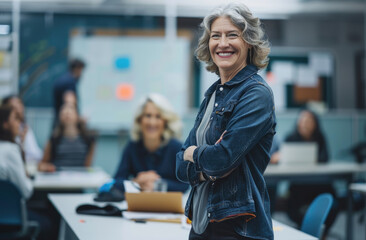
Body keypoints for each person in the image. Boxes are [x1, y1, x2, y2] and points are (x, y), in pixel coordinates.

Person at [176, 3, 276, 239]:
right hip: (202, 222)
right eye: (215, 36)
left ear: (248, 42)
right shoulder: (213, 94)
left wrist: (196, 154)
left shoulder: (256, 93)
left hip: (238, 227)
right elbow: (180, 164)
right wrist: (206, 165)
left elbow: (221, 159)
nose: (222, 44)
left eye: (232, 35)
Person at [110, 93, 188, 193]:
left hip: (167, 206)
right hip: (139, 206)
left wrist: (157, 184)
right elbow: (116, 182)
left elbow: (184, 186)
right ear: (140, 120)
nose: (152, 122)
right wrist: (137, 182)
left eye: (158, 117)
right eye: (148, 116)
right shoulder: (132, 146)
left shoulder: (176, 148)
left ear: (165, 121)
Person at [285, 109, 337, 237]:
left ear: (315, 123)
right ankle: (305, 232)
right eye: (302, 120)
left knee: (332, 203)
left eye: (309, 120)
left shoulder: (320, 138)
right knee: (295, 207)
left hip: (319, 186)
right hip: (299, 188)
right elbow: (285, 161)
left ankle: (321, 234)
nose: (305, 123)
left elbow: (325, 158)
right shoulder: (291, 138)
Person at [38, 103, 95, 172]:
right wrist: (47, 167)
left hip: (80, 179)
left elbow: (87, 166)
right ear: (60, 117)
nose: (67, 114)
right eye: (64, 112)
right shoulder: (54, 139)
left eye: (70, 111)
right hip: (58, 178)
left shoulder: (87, 139)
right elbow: (41, 164)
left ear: (77, 116)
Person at [0, 106, 33, 199]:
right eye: (15, 119)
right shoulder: (11, 150)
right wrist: (29, 178)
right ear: (5, 124)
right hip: (8, 212)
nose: (19, 124)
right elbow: (26, 192)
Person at [2, 95, 43, 164]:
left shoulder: (25, 129)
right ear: (5, 123)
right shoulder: (10, 148)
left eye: (20, 104)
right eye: (14, 107)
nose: (18, 109)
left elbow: (36, 155)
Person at [53, 58, 85, 125]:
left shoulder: (63, 79)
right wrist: (78, 118)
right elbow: (70, 102)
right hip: (64, 124)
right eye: (81, 71)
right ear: (77, 69)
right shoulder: (70, 82)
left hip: (58, 119)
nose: (81, 74)